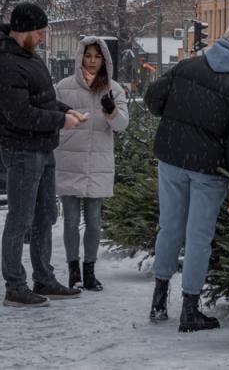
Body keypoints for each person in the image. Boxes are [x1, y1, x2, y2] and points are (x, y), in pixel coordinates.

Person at [144, 22, 229, 332]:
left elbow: (153, 98)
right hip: (208, 169)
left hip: (170, 158)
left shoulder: (187, 66)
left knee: (169, 228)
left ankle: (158, 301)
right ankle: (190, 310)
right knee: (198, 238)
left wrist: (175, 118)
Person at [0, 2, 85, 307]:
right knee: (20, 219)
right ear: (24, 31)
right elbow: (19, 114)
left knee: (45, 216)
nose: (42, 37)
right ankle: (14, 285)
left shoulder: (30, 58)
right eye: (39, 32)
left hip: (42, 148)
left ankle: (43, 277)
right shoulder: (5, 63)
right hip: (22, 151)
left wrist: (66, 110)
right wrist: (61, 121)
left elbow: (43, 101)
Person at [54, 37, 129, 292]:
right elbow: (54, 119)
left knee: (94, 221)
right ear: (80, 58)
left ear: (104, 59)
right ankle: (73, 270)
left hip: (98, 163)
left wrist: (111, 112)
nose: (92, 61)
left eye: (97, 56)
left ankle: (90, 271)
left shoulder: (113, 89)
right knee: (71, 221)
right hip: (69, 161)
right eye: (88, 56)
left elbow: (121, 126)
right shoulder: (63, 87)